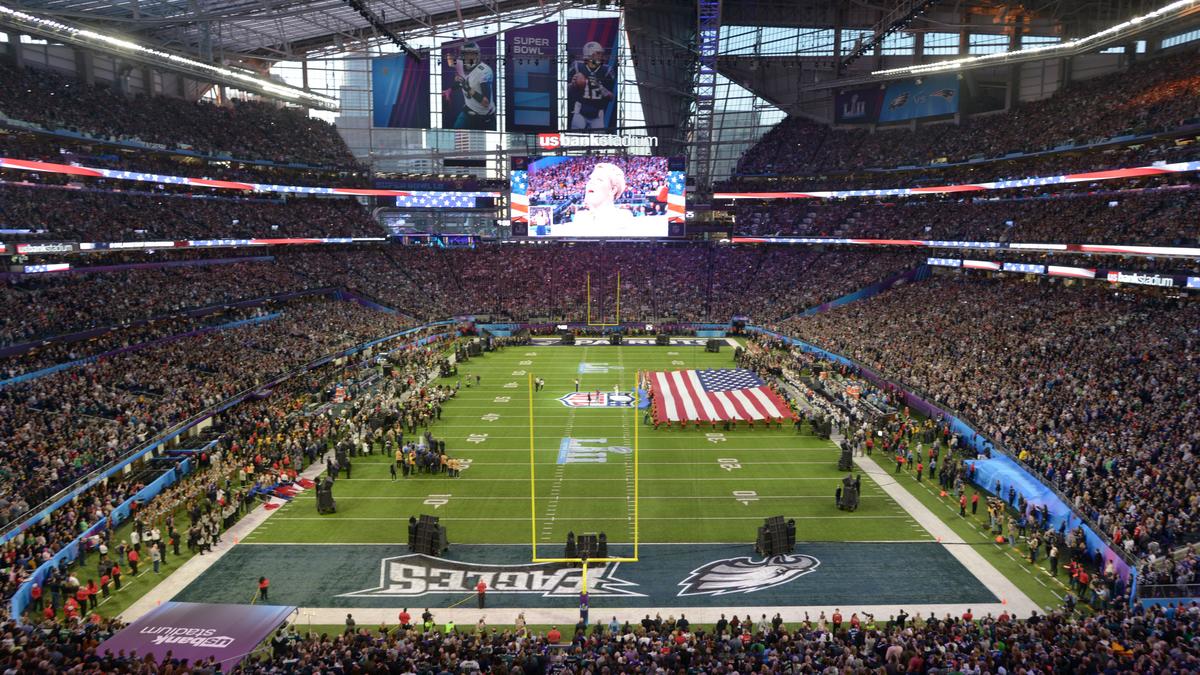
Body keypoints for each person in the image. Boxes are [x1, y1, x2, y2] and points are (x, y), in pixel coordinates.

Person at [447, 42, 495, 130]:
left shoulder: (484, 71)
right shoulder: (460, 63)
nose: (469, 57)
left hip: (484, 116)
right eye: (466, 54)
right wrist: (452, 47)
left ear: (478, 55)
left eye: (472, 54)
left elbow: (485, 102)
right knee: (455, 132)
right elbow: (450, 61)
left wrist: (468, 88)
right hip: (468, 110)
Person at [568, 41, 616, 130]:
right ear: (590, 54)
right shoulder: (578, 66)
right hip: (580, 111)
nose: (601, 55)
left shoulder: (607, 70)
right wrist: (573, 84)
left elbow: (612, 97)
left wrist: (600, 87)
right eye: (598, 53)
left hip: (597, 114)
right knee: (575, 138)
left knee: (598, 142)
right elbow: (565, 89)